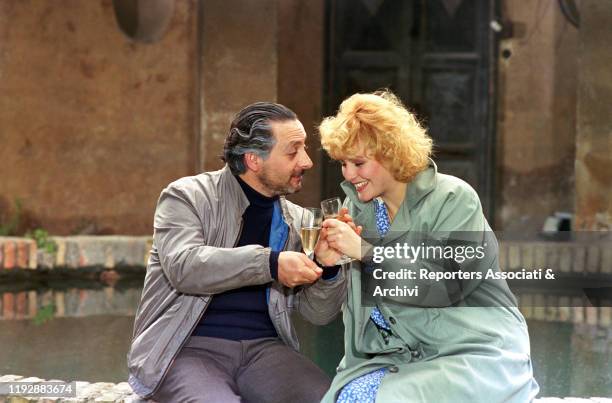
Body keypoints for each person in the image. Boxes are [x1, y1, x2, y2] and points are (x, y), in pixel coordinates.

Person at [316, 90, 540, 403]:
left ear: (390, 153)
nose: (349, 175)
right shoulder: (356, 212)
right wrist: (327, 268)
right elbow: (320, 314)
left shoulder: (454, 199)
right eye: (343, 164)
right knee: (349, 396)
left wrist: (367, 252)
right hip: (399, 358)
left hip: (474, 352)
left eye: (358, 162)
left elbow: (446, 287)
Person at [127, 102, 349, 403]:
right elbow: (184, 266)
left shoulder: (297, 221)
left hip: (265, 351)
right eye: (293, 151)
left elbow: (317, 314)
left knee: (333, 400)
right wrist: (269, 263)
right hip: (186, 350)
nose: (307, 161)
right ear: (253, 160)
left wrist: (327, 266)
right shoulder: (186, 197)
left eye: (304, 149)